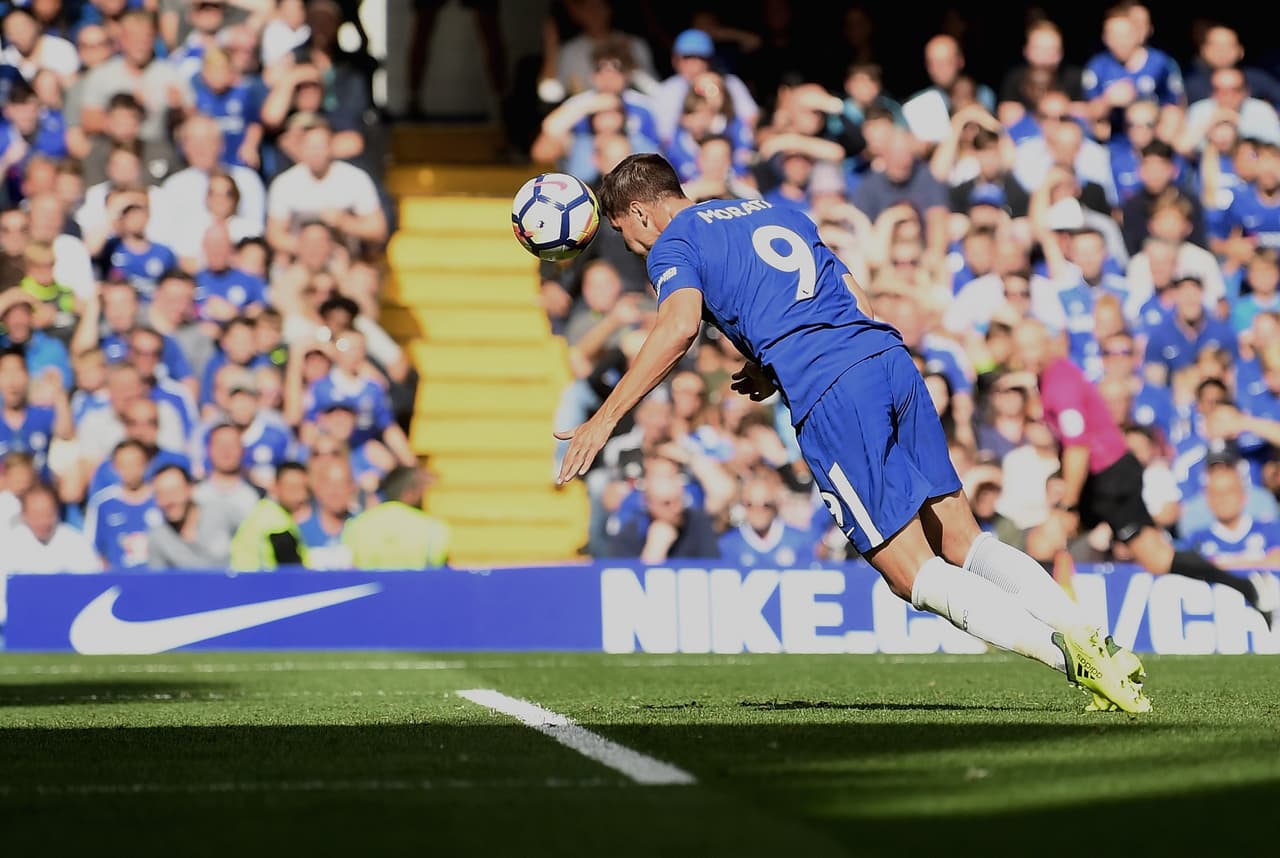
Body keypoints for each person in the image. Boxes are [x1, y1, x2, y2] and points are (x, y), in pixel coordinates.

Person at [557, 152, 1151, 713]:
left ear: (638, 211)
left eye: (626, 235)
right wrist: (775, 361)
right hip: (887, 358)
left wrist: (604, 419)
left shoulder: (674, 242)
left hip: (834, 390)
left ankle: (1069, 661)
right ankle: (1095, 640)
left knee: (909, 570)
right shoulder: (772, 210)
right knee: (965, 540)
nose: (635, 250)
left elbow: (678, 327)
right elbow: (848, 294)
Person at [1011, 318, 1279, 630]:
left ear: (1048, 344)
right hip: (1107, 475)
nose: (1027, 354)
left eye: (1032, 346)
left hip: (1110, 478)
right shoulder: (1047, 378)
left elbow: (1078, 449)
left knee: (1049, 540)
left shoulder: (1060, 384)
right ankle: (1250, 589)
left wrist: (1068, 505)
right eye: (1021, 348)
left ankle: (1042, 628)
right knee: (1155, 558)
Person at [342, 463, 449, 570]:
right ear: (410, 493)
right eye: (423, 491)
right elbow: (437, 571)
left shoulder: (356, 525)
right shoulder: (433, 528)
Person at [146, 463, 234, 569]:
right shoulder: (158, 538)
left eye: (174, 491)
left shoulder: (223, 514)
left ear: (190, 488)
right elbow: (157, 582)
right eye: (160, 494)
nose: (169, 500)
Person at [228, 459, 309, 571]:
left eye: (305, 488)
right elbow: (293, 571)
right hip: (259, 584)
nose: (301, 496)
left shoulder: (264, 510)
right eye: (293, 488)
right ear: (275, 486)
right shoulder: (276, 522)